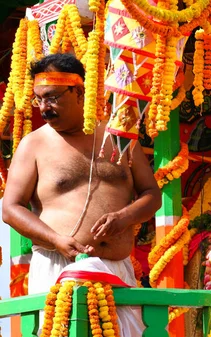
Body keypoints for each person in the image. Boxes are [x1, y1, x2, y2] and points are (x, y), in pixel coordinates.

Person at [2, 53, 161, 335]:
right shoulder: (34, 144)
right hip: (57, 268)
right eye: (38, 99)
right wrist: (55, 240)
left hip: (117, 269)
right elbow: (11, 208)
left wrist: (124, 217)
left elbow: (151, 194)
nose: (43, 108)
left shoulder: (120, 137)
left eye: (51, 97)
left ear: (78, 91)